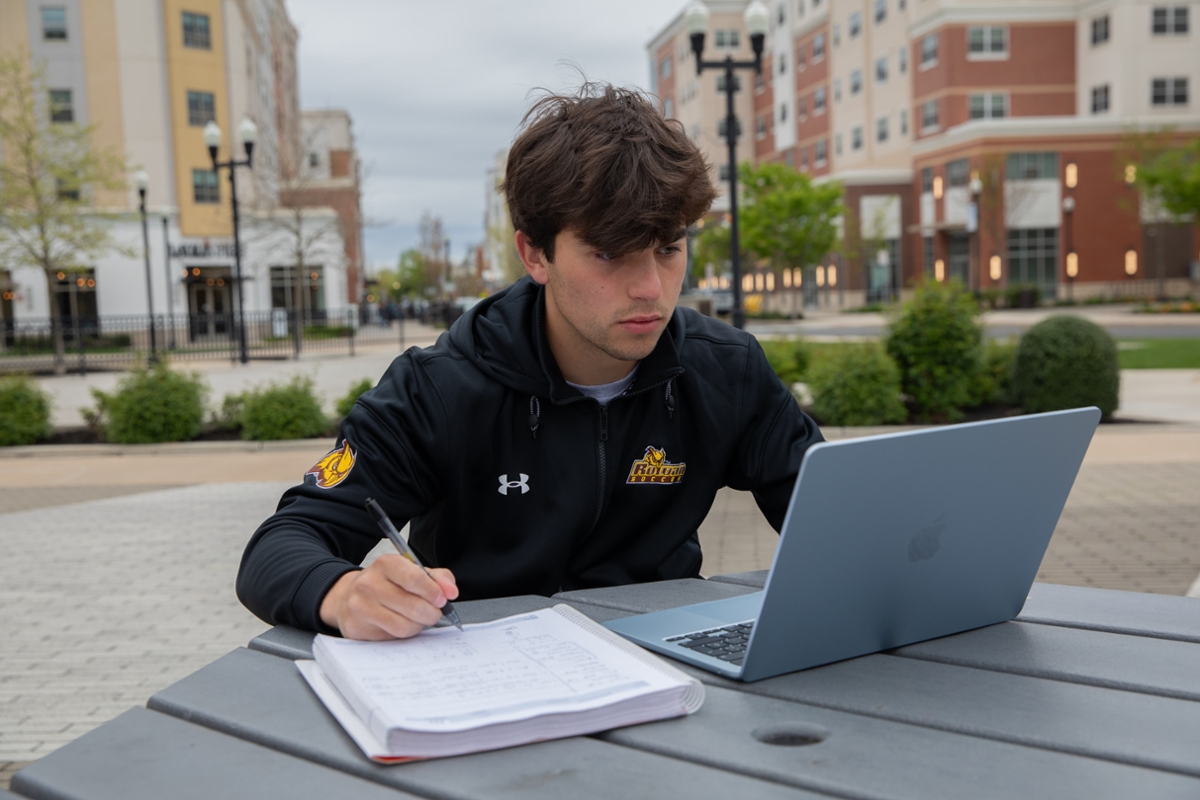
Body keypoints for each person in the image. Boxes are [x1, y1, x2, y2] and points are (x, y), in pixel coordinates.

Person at [236, 84, 823, 640]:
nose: (651, 287)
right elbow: (283, 543)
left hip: (667, 670)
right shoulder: (438, 388)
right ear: (534, 253)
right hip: (492, 675)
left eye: (669, 248)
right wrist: (344, 592)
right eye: (610, 253)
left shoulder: (726, 370)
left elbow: (839, 521)